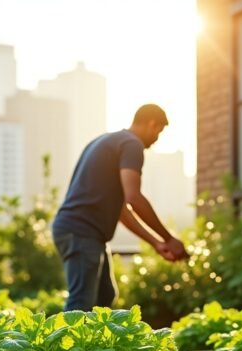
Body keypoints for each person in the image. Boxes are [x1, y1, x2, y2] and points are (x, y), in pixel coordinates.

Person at [52, 103, 189, 311]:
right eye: (159, 132)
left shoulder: (108, 141)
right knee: (80, 305)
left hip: (84, 232)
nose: (157, 139)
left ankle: (97, 344)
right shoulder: (131, 144)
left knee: (105, 296)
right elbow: (134, 197)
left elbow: (123, 211)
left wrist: (156, 242)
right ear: (152, 124)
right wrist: (169, 238)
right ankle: (61, 344)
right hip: (80, 231)